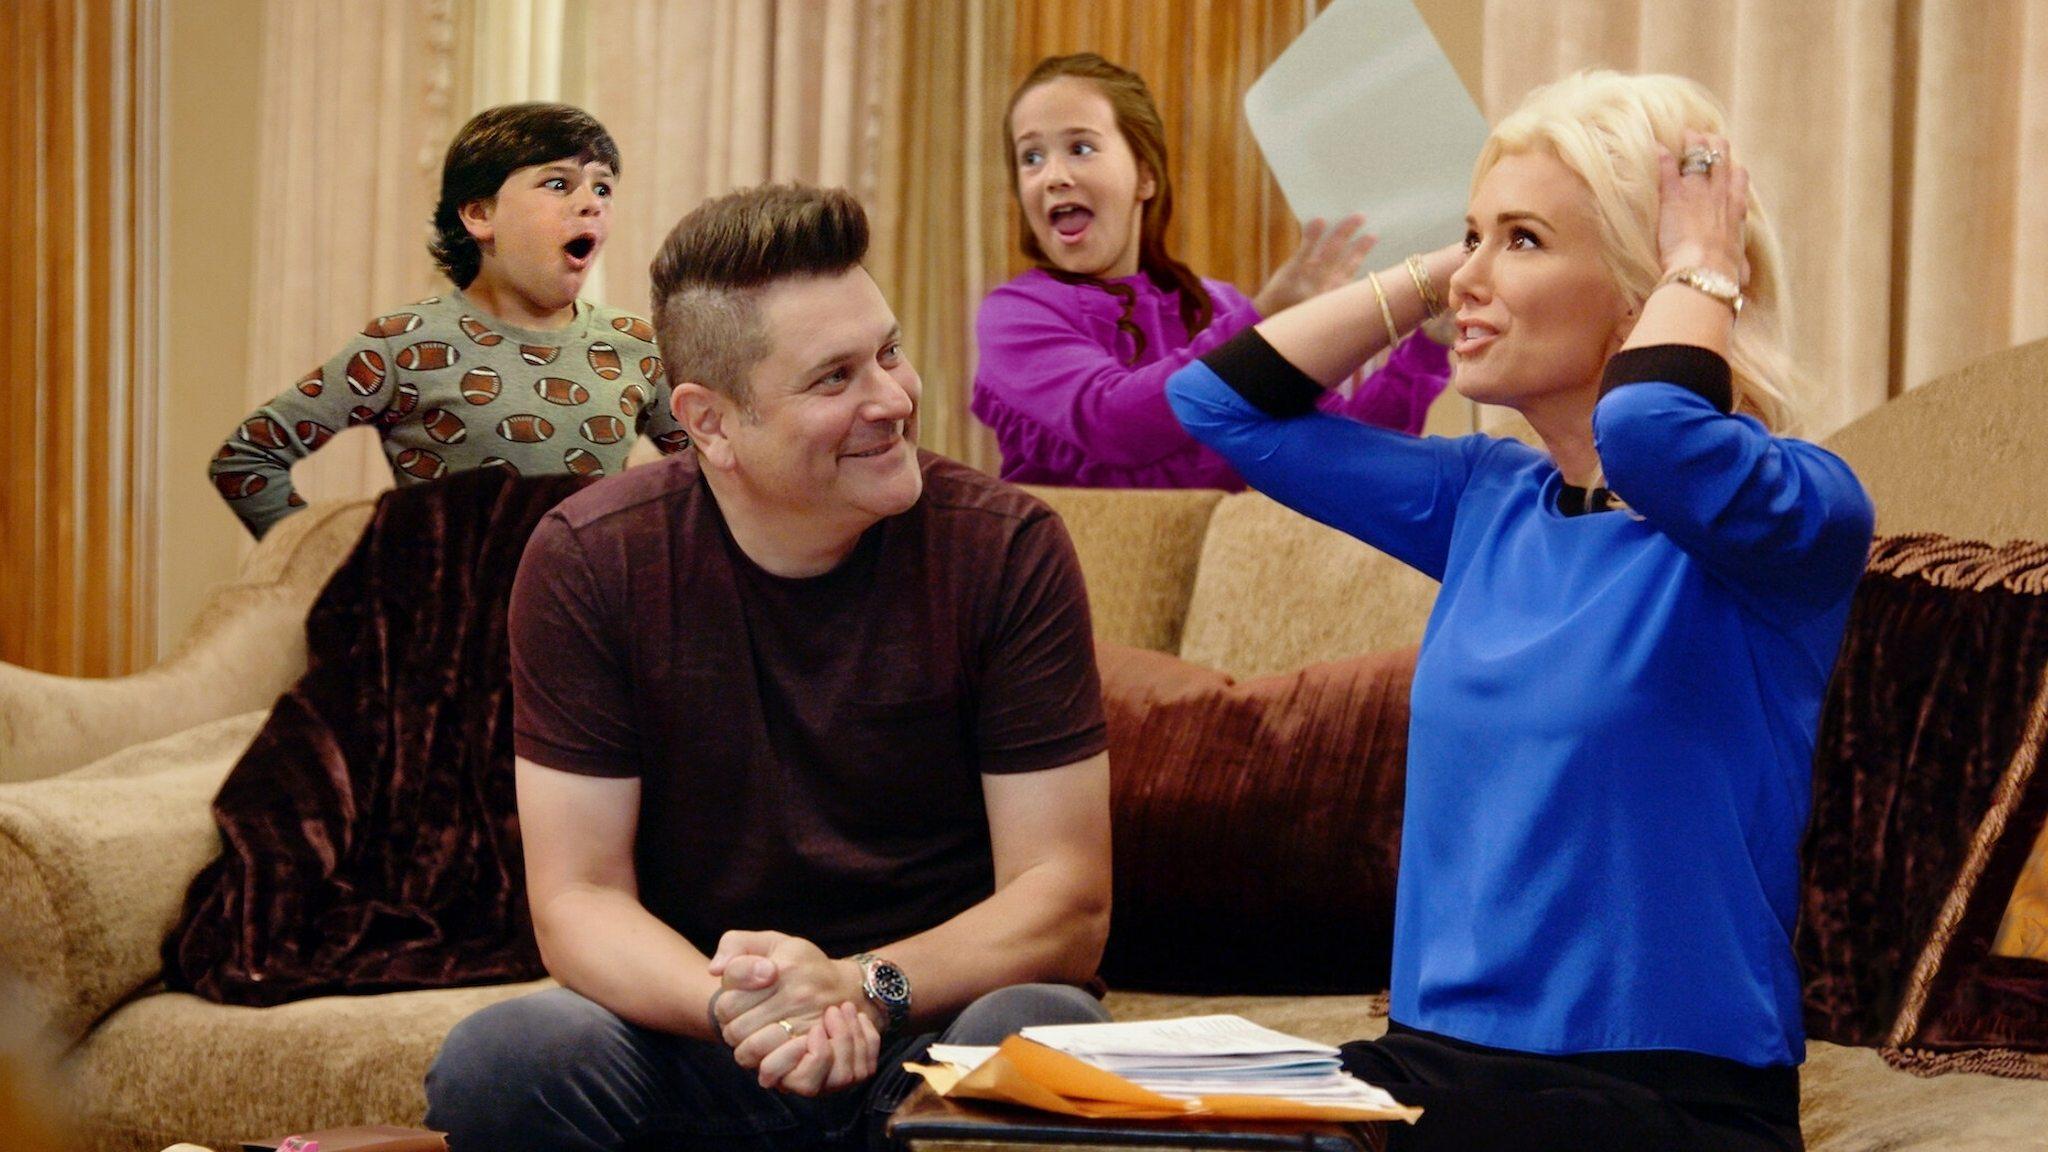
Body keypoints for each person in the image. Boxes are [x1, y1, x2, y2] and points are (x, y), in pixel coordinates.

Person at [1166, 71, 1874, 1151]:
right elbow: (1218, 405)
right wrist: (1445, 271)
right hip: (1432, 1068)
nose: (1471, 278)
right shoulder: (1486, 500)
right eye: (1471, 236)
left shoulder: (1794, 515)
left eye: (1525, 241)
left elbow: (1648, 433)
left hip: (1668, 1098)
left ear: (1639, 293)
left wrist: (1703, 266)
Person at [423, 184, 1114, 1152]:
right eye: (834, 379)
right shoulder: (590, 561)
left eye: (888, 352)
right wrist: (743, 1010)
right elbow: (577, 900)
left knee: (1044, 1033)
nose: (893, 398)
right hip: (704, 1037)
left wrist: (862, 989)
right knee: (505, 1059)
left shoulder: (1006, 548)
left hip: (927, 1026)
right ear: (708, 422)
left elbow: (1066, 900)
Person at [971, 52, 1452, 490]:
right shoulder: (1013, 317)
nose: (1053, 176)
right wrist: (1264, 321)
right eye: (1031, 157)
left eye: (1080, 148)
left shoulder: (1219, 307)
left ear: (1145, 176)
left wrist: (1429, 345)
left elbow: (1342, 457)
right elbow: (1115, 424)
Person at [210, 102, 689, 538]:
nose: (592, 202)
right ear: (480, 215)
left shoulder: (637, 345)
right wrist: (344, 571)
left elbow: (703, 482)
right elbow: (246, 459)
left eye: (603, 187)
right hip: (456, 609)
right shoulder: (403, 343)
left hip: (584, 607)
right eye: (558, 183)